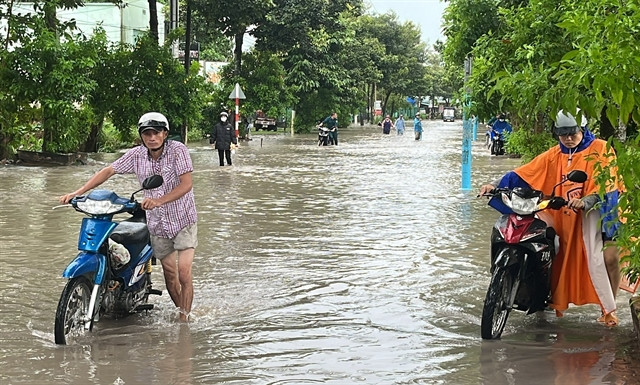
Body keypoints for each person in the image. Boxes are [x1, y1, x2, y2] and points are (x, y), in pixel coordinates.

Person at [478, 110, 622, 326]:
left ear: (582, 128)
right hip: (563, 216)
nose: (569, 138)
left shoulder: (601, 149)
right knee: (547, 246)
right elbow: (524, 173)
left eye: (572, 133)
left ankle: (610, 307)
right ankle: (543, 296)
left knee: (608, 258)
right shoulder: (553, 155)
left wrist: (586, 201)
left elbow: (608, 185)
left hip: (599, 216)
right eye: (563, 134)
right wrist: (495, 186)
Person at [59, 112, 198, 322]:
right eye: (147, 133)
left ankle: (184, 321)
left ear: (165, 134)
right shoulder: (136, 155)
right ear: (142, 136)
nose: (152, 137)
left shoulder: (178, 151)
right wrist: (77, 193)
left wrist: (159, 200)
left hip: (182, 219)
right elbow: (108, 171)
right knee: (170, 275)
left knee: (184, 273)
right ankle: (183, 312)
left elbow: (186, 184)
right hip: (157, 222)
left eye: (156, 132)